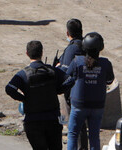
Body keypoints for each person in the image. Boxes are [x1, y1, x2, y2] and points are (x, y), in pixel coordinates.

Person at [4, 40, 66, 150]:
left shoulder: (23, 74)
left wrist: (24, 98)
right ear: (42, 53)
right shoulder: (51, 70)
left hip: (33, 120)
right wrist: (56, 90)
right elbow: (70, 80)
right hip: (52, 118)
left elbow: (9, 88)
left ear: (27, 53)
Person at [62, 32, 114, 150]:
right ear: (101, 47)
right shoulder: (105, 63)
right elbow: (110, 80)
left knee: (73, 134)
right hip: (97, 105)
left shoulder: (77, 61)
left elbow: (66, 77)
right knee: (94, 137)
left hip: (79, 105)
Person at [53, 19, 86, 150]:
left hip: (73, 93)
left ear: (68, 33)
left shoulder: (72, 49)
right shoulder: (86, 45)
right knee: (82, 127)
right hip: (86, 90)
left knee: (74, 128)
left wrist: (57, 68)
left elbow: (65, 72)